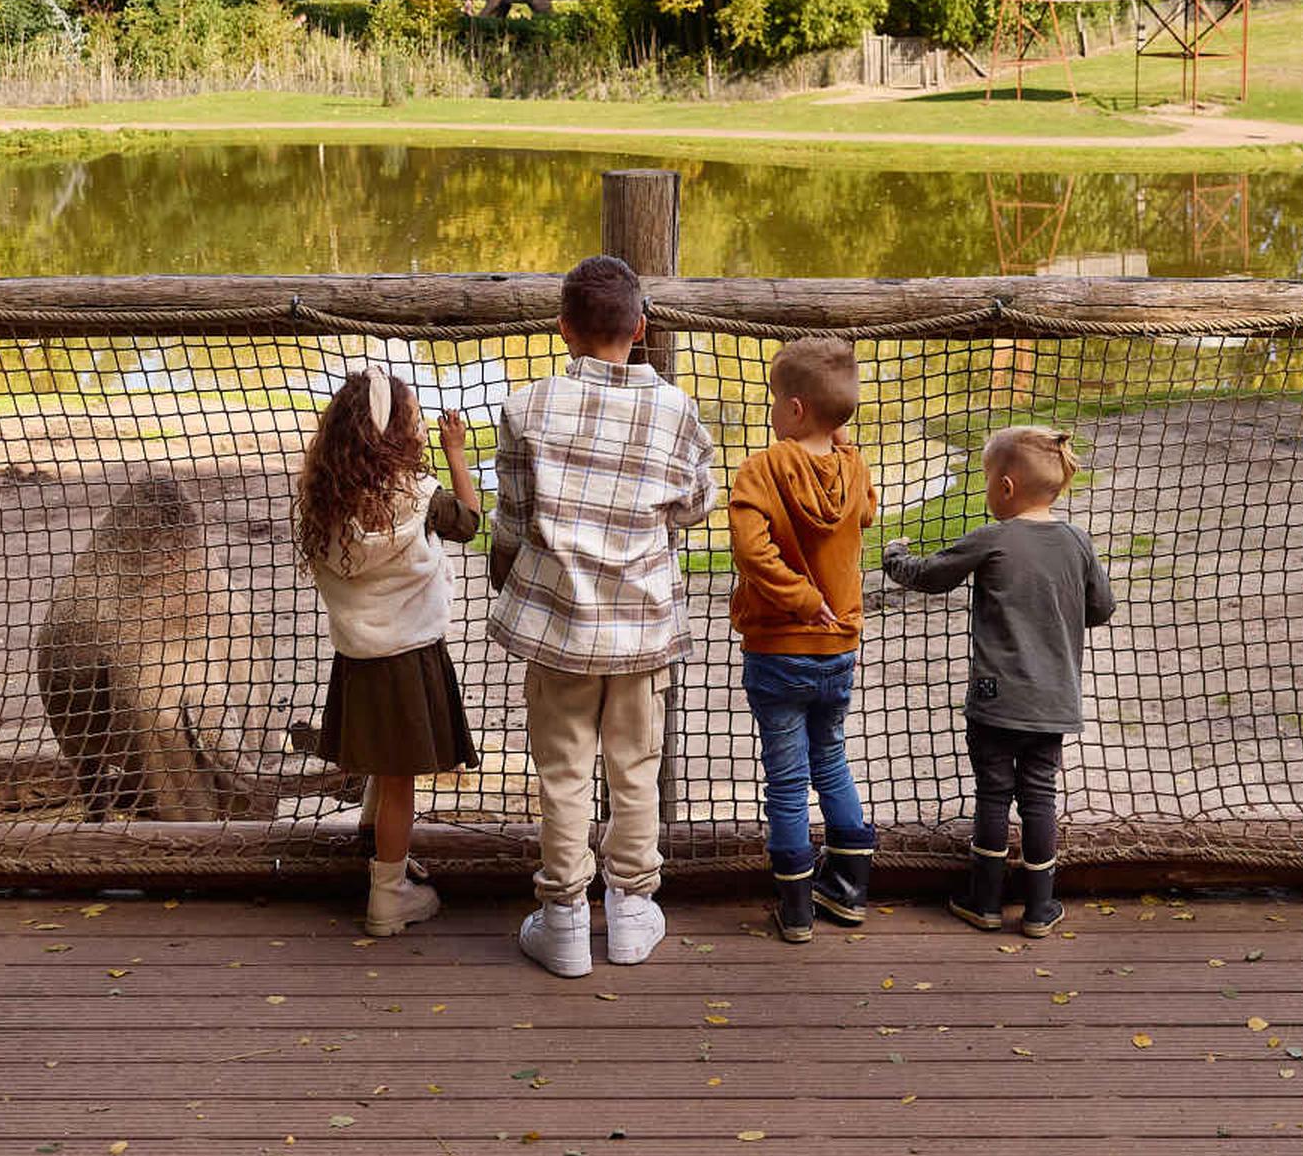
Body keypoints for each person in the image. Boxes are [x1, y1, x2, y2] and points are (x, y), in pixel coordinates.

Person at [484, 253, 715, 979]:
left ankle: (562, 921)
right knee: (635, 767)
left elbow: (513, 522)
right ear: (640, 328)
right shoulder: (675, 408)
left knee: (562, 772)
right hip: (642, 624)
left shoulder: (527, 406)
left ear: (563, 330)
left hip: (558, 623)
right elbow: (697, 501)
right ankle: (631, 912)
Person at [885, 426, 1111, 936]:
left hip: (996, 698)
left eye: (987, 479)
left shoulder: (993, 537)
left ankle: (983, 901)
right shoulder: (1077, 540)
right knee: (1039, 797)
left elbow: (931, 575)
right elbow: (1101, 608)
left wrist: (894, 555)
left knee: (993, 794)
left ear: (1006, 488)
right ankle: (1038, 907)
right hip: (1054, 699)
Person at [294, 363, 484, 937]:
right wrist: (454, 453)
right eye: (416, 420)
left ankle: (377, 849)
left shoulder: (325, 499)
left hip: (357, 656)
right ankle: (388, 898)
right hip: (410, 655)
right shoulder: (418, 496)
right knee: (400, 776)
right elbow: (471, 522)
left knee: (383, 758)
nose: (423, 427)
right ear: (397, 432)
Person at [724, 334, 878, 943]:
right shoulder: (853, 466)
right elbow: (865, 511)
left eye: (772, 399)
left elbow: (749, 548)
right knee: (832, 759)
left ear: (793, 410)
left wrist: (798, 598)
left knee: (786, 779)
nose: (770, 409)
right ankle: (849, 890)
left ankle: (795, 910)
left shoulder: (761, 468)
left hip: (778, 649)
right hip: (839, 646)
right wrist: (843, 445)